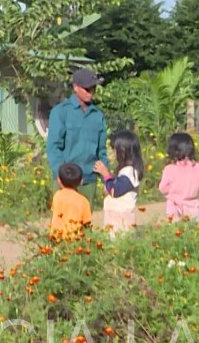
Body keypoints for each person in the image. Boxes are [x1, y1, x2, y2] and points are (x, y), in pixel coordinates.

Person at [46, 67, 109, 208]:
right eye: (87, 89)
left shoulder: (98, 116)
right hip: (66, 181)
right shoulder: (60, 112)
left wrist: (107, 179)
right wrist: (59, 174)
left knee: (85, 224)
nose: (91, 93)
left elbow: (102, 152)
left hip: (89, 180)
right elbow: (53, 147)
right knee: (63, 225)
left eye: (93, 88)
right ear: (75, 87)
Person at [93, 129, 144, 237]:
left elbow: (115, 191)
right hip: (115, 216)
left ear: (123, 152)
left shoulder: (129, 173)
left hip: (121, 219)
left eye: (114, 150)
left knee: (119, 241)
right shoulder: (126, 171)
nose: (113, 153)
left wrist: (105, 174)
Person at [158, 132, 199, 221]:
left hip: (174, 207)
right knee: (191, 232)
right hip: (192, 207)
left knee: (176, 232)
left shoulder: (170, 169)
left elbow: (162, 189)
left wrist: (174, 190)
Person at [50, 162, 93, 237]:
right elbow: (87, 224)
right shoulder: (83, 201)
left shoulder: (57, 196)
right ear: (81, 181)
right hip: (74, 240)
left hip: (56, 237)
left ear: (59, 180)